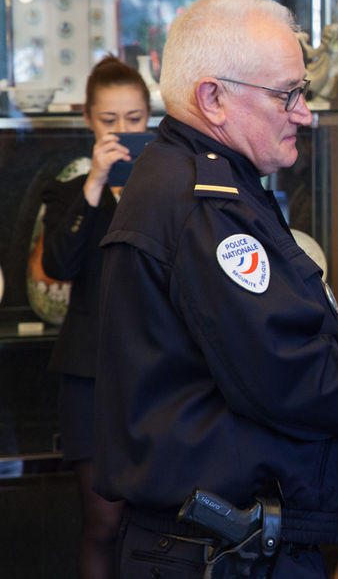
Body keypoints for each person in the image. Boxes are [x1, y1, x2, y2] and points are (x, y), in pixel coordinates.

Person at [94, 0, 338, 579]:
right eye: (288, 95)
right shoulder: (204, 205)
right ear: (213, 98)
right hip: (216, 554)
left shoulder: (201, 182)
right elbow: (293, 375)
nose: (304, 113)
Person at [40, 56, 150, 579]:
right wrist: (96, 182)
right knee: (102, 522)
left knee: (158, 523)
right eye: (110, 120)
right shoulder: (68, 192)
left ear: (149, 117)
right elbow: (58, 265)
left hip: (158, 372)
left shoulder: (167, 188)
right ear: (89, 120)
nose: (123, 131)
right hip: (90, 374)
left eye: (133, 118)